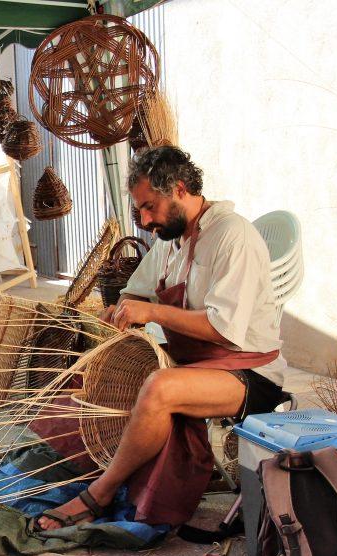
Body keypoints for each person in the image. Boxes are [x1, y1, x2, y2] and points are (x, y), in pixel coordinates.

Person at [36, 146, 286, 531]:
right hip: (198, 363)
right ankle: (103, 466)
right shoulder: (172, 239)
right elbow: (135, 291)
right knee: (91, 379)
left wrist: (151, 312)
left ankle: (100, 494)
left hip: (250, 371)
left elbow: (223, 329)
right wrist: (121, 312)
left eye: (150, 207)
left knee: (159, 388)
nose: (146, 219)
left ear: (181, 189)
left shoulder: (232, 236)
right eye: (140, 211)